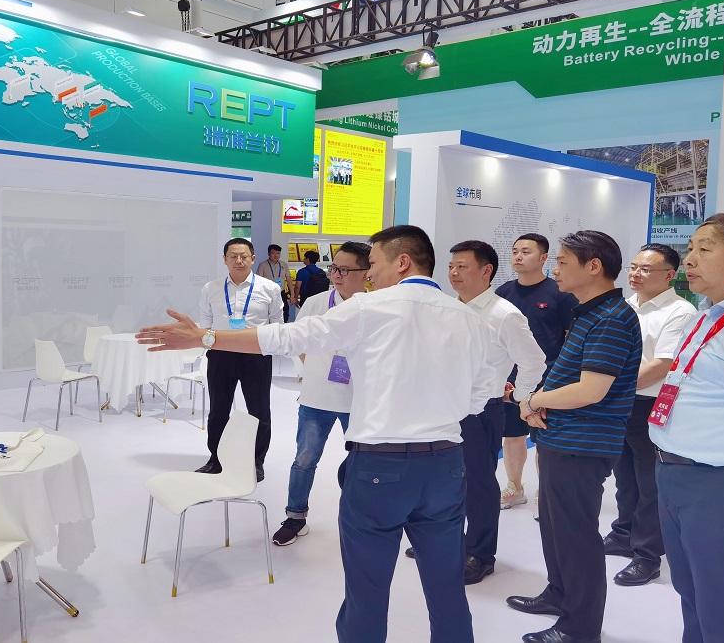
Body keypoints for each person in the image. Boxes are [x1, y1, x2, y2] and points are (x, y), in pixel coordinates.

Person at [138, 225, 496, 643]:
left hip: (380, 467)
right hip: (446, 466)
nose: (368, 274)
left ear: (402, 262)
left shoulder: (369, 308)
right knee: (447, 588)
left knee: (367, 591)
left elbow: (287, 337)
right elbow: (480, 396)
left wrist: (207, 337)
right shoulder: (471, 320)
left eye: (373, 264)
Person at [507, 230, 642, 643]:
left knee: (575, 535)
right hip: (562, 438)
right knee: (554, 527)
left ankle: (579, 628)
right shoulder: (588, 312)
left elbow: (591, 390)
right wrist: (540, 404)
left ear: (594, 266)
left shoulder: (611, 318)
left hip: (583, 444)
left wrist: (533, 399)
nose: (555, 269)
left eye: (563, 261)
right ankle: (559, 593)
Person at [403, 240, 546, 584]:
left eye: (462, 267)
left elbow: (533, 361)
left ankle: (480, 554)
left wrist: (521, 397)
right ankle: (447, 540)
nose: (454, 273)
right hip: (441, 408)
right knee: (442, 479)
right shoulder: (448, 308)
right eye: (451, 266)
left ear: (486, 271)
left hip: (480, 412)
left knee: (478, 483)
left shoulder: (504, 314)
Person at [648, 213, 724, 642]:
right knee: (692, 592)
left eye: (705, 249)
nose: (689, 259)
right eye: (690, 248)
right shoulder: (708, 312)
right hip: (674, 471)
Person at [603, 243, 696, 587]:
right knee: (624, 474)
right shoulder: (625, 305)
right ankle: (623, 534)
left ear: (670, 275)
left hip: (650, 403)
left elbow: (663, 364)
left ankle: (647, 555)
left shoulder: (680, 311)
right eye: (633, 267)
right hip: (619, 402)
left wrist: (607, 388)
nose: (635, 274)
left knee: (649, 482)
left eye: (645, 269)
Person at [272, 241, 370, 546]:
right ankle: (295, 517)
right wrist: (315, 369)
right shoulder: (316, 303)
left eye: (344, 269)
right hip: (317, 397)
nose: (336, 274)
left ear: (366, 272)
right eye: (334, 268)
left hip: (360, 400)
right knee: (304, 459)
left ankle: (362, 518)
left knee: (363, 462)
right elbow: (298, 343)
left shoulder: (376, 306)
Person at [496, 233, 577, 517]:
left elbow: (571, 337)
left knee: (543, 438)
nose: (518, 256)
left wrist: (563, 376)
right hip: (511, 377)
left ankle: (545, 492)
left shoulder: (559, 293)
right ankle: (514, 487)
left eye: (526, 251)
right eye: (515, 251)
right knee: (512, 435)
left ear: (543, 258)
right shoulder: (503, 292)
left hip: (548, 379)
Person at [198, 237, 283, 482]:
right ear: (224, 259)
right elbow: (206, 323)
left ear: (252, 259)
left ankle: (256, 462)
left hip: (255, 355)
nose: (238, 260)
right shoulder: (211, 288)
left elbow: (277, 324)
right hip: (221, 355)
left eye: (244, 256)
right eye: (233, 256)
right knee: (218, 410)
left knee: (259, 411)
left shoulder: (269, 288)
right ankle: (216, 459)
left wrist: (266, 349)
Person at [256, 244, 295, 322]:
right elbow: (258, 281)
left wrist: (292, 295)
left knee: (285, 312)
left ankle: (282, 327)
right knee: (268, 313)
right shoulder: (263, 265)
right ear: (268, 254)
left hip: (281, 292)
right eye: (273, 253)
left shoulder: (284, 264)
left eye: (278, 253)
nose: (276, 255)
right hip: (268, 293)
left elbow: (289, 280)